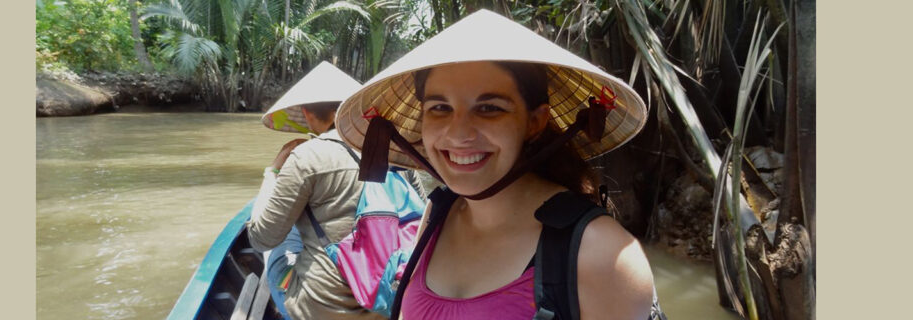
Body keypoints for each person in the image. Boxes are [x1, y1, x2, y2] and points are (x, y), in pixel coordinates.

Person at [334, 10, 658, 320]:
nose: (459, 134)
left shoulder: (602, 253)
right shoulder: (437, 213)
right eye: (439, 108)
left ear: (534, 122)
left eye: (489, 107)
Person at [247, 61, 424, 320]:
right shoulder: (397, 151)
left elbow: (261, 238)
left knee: (282, 239)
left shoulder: (306, 156)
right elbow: (422, 225)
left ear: (307, 113)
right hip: (389, 304)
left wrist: (273, 171)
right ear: (355, 108)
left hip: (321, 310)